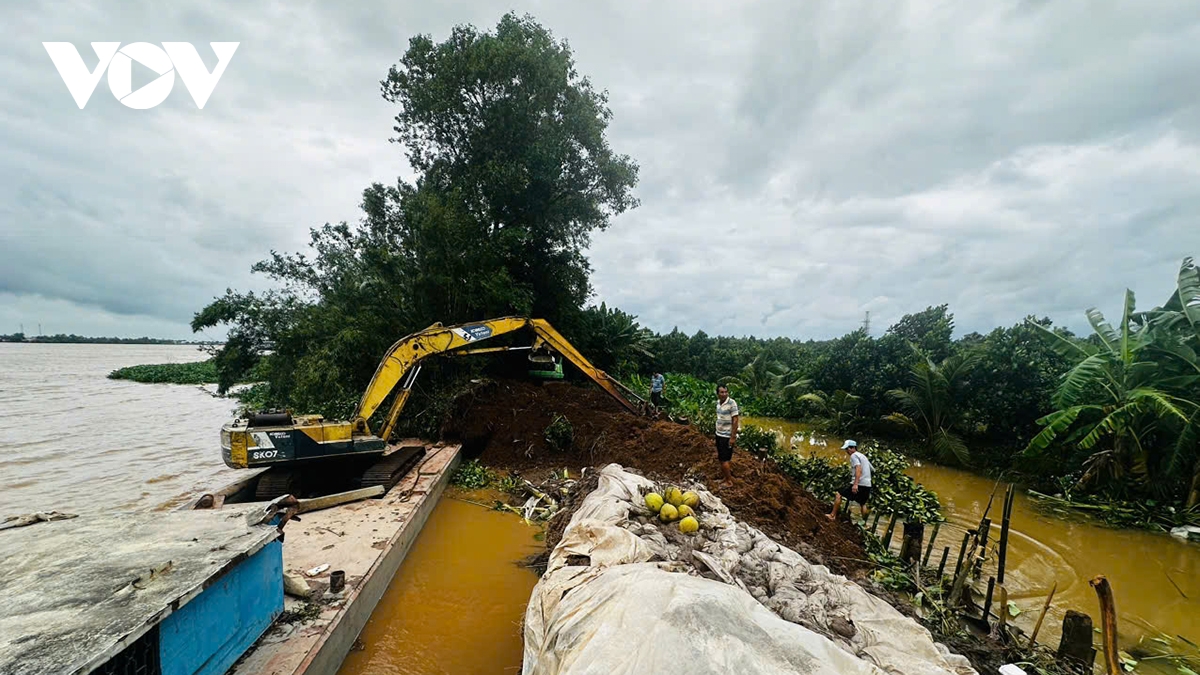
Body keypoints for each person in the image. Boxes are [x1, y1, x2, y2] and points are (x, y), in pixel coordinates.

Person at [827, 440, 873, 521]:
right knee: (863, 503)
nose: (846, 451)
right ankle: (865, 524)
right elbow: (872, 469)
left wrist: (855, 484)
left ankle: (832, 515)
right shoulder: (863, 456)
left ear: (853, 448)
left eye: (847, 449)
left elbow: (858, 469)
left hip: (859, 483)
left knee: (839, 494)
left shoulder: (854, 456)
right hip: (867, 484)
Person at [714, 384, 739, 484]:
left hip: (726, 436)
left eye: (725, 392)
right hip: (719, 434)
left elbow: (736, 420)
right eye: (722, 392)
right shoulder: (718, 403)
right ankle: (725, 478)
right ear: (718, 394)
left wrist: (732, 437)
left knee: (725, 459)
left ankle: (729, 481)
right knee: (721, 458)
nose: (724, 394)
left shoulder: (732, 403)